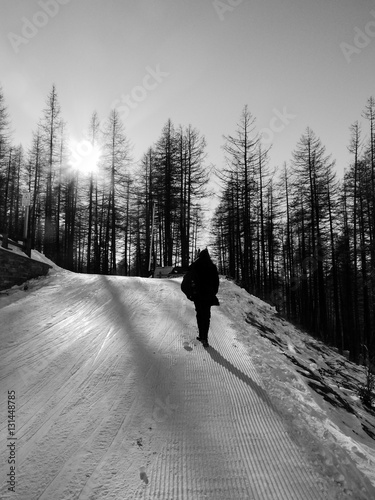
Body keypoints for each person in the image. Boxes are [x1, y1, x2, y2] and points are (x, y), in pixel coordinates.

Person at [181, 248, 220, 348]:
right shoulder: (212, 267)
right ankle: (205, 337)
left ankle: (201, 335)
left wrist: (190, 294)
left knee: (199, 314)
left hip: (197, 295)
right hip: (208, 295)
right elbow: (216, 283)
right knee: (206, 316)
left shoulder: (195, 266)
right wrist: (213, 292)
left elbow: (185, 282)